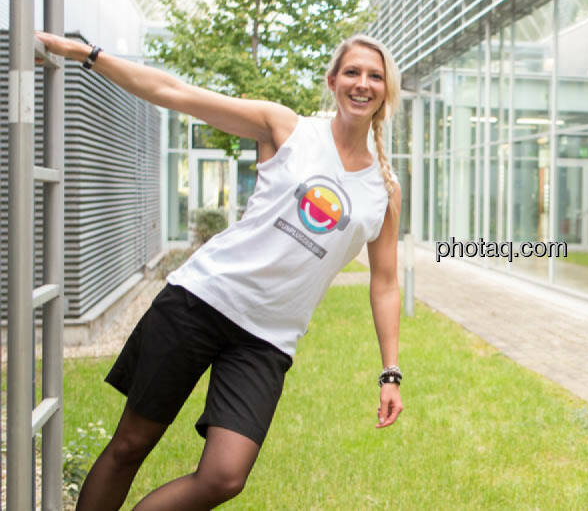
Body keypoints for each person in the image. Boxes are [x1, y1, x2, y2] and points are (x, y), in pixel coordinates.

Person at [35, 31, 404, 510]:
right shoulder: (287, 128)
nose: (362, 83)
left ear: (386, 90)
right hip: (201, 302)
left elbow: (386, 282)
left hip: (267, 338)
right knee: (129, 445)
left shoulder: (384, 188)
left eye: (375, 76)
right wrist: (89, 54)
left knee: (224, 476)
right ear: (333, 81)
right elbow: (178, 94)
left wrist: (390, 372)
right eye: (352, 72)